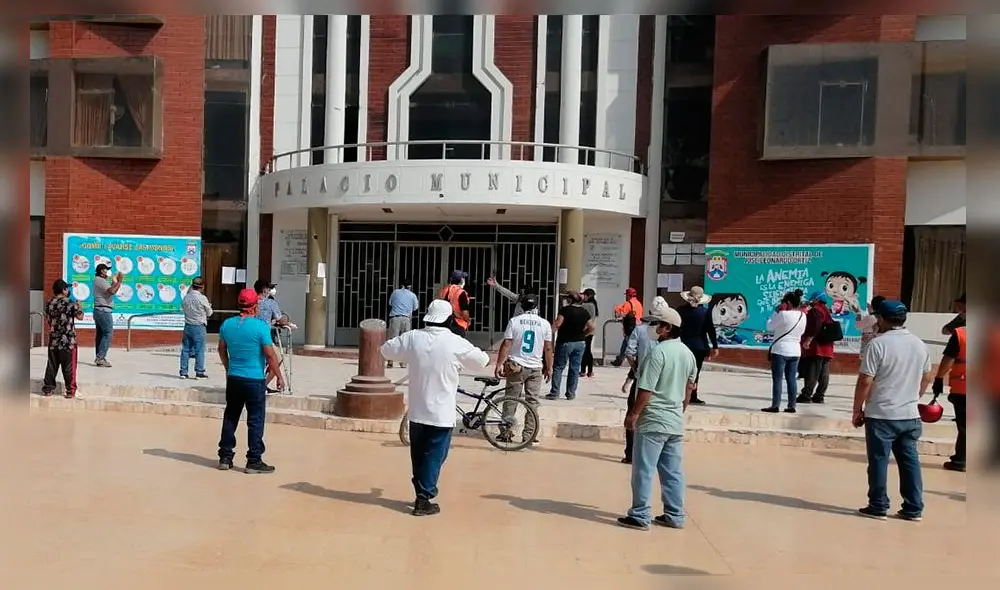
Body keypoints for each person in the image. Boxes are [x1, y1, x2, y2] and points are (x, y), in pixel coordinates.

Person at [380, 299, 490, 516]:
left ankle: (421, 489)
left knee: (419, 455)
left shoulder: (413, 337)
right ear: (449, 320)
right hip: (441, 414)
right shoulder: (456, 342)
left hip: (417, 412)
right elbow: (482, 360)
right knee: (434, 456)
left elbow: (386, 350)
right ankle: (423, 498)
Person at [617, 299, 697, 531]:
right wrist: (680, 410)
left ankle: (640, 514)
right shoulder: (688, 354)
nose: (654, 328)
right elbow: (689, 388)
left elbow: (646, 389)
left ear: (668, 328)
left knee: (644, 469)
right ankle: (675, 514)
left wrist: (633, 415)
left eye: (658, 324)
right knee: (672, 472)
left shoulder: (658, 353)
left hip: (653, 420)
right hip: (674, 421)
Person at [852, 300, 932, 521]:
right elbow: (927, 377)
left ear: (881, 318)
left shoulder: (877, 345)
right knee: (910, 462)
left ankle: (878, 505)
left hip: (881, 415)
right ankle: (913, 508)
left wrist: (857, 409)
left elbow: (865, 380)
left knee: (879, 460)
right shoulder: (919, 344)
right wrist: (914, 397)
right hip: (910, 416)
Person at [217, 288, 285, 473]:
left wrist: (228, 367)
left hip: (234, 378)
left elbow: (221, 349)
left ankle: (225, 457)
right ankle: (254, 460)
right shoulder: (260, 327)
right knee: (255, 420)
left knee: (231, 416)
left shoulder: (227, 325)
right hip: (254, 380)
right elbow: (270, 356)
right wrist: (279, 376)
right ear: (255, 307)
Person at [494, 293, 552, 445]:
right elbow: (548, 348)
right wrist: (549, 367)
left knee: (510, 400)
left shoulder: (514, 321)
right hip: (535, 367)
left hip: (516, 366)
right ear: (537, 306)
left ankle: (506, 432)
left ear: (522, 306)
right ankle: (529, 435)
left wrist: (499, 364)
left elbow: (507, 344)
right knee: (532, 402)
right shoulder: (545, 324)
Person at [620, 298, 661, 464]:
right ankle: (652, 455)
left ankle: (630, 454)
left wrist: (636, 369)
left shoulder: (640, 330)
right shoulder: (668, 334)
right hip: (661, 382)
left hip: (642, 379)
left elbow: (629, 353)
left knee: (632, 414)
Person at [763, 290, 807, 413]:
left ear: (788, 303)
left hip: (780, 349)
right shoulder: (803, 316)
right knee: (791, 379)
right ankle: (791, 405)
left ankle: (775, 405)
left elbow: (769, 326)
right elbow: (802, 332)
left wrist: (775, 312)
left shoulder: (783, 315)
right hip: (795, 350)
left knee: (777, 379)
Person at [546, 292, 594, 401]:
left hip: (565, 342)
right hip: (580, 342)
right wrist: (583, 335)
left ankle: (555, 392)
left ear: (569, 300)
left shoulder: (565, 310)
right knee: (575, 368)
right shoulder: (584, 311)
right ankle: (571, 393)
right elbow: (592, 327)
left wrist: (548, 335)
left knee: (558, 367)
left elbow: (558, 324)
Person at [41, 279, 84, 398]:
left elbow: (48, 318)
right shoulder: (69, 303)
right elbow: (80, 316)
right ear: (64, 290)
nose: (68, 291)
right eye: (67, 289)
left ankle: (48, 389)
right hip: (68, 340)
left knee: (52, 365)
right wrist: (80, 306)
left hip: (54, 339)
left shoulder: (49, 303)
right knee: (69, 367)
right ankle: (70, 391)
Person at [933, 325, 966, 472]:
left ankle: (961, 460)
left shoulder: (961, 333)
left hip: (965, 387)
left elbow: (949, 358)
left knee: (966, 426)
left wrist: (939, 378)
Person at [677, 286, 719, 405]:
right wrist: (715, 346)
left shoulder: (680, 310)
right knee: (695, 372)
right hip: (699, 346)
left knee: (681, 371)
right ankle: (692, 395)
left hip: (682, 345)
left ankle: (679, 394)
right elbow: (711, 330)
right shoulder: (705, 312)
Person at [254, 279, 292, 393]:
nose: (271, 290)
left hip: (251, 335)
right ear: (264, 290)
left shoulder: (252, 301)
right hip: (264, 336)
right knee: (277, 358)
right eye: (269, 288)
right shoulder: (270, 303)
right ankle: (263, 384)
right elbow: (280, 319)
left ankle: (259, 383)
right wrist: (287, 323)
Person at [798, 291, 836, 404]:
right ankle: (819, 395)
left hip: (817, 347)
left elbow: (816, 325)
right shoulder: (827, 310)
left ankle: (806, 395)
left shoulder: (816, 310)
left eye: (812, 299)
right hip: (827, 346)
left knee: (812, 372)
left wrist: (808, 339)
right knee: (824, 372)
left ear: (816, 299)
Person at [180, 276, 213, 379]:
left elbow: (183, 308)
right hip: (199, 326)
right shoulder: (202, 298)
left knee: (186, 349)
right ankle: (199, 372)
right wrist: (209, 307)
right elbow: (209, 312)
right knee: (199, 350)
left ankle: (183, 372)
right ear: (202, 287)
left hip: (188, 326)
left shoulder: (186, 297)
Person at [92, 263, 123, 367]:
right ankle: (100, 357)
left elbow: (109, 290)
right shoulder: (100, 280)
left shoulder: (99, 280)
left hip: (99, 310)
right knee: (108, 333)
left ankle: (99, 357)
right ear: (102, 271)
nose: (108, 272)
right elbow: (112, 291)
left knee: (101, 335)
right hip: (103, 310)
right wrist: (119, 281)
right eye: (106, 270)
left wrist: (115, 282)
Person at [387, 278, 421, 369]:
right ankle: (403, 363)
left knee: (393, 340)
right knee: (405, 341)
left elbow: (390, 303)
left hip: (395, 318)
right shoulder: (413, 295)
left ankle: (390, 362)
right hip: (406, 319)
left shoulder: (395, 292)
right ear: (410, 286)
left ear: (402, 285)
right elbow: (415, 307)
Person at [610, 287, 644, 367]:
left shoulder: (628, 304)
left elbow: (622, 314)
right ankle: (619, 359)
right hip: (638, 326)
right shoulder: (639, 304)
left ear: (629, 295)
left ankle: (634, 363)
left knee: (630, 345)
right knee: (625, 344)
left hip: (630, 327)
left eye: (626, 295)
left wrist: (617, 309)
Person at [439, 270, 471, 338]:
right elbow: (465, 312)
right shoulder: (461, 293)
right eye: (463, 278)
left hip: (445, 322)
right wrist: (468, 320)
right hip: (458, 324)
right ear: (461, 280)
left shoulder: (445, 290)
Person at [580, 288, 599, 378]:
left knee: (585, 351)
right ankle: (589, 370)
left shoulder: (587, 305)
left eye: (584, 295)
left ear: (588, 296)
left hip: (585, 330)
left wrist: (584, 329)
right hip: (590, 330)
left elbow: (587, 318)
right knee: (587, 350)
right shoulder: (594, 304)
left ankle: (583, 370)